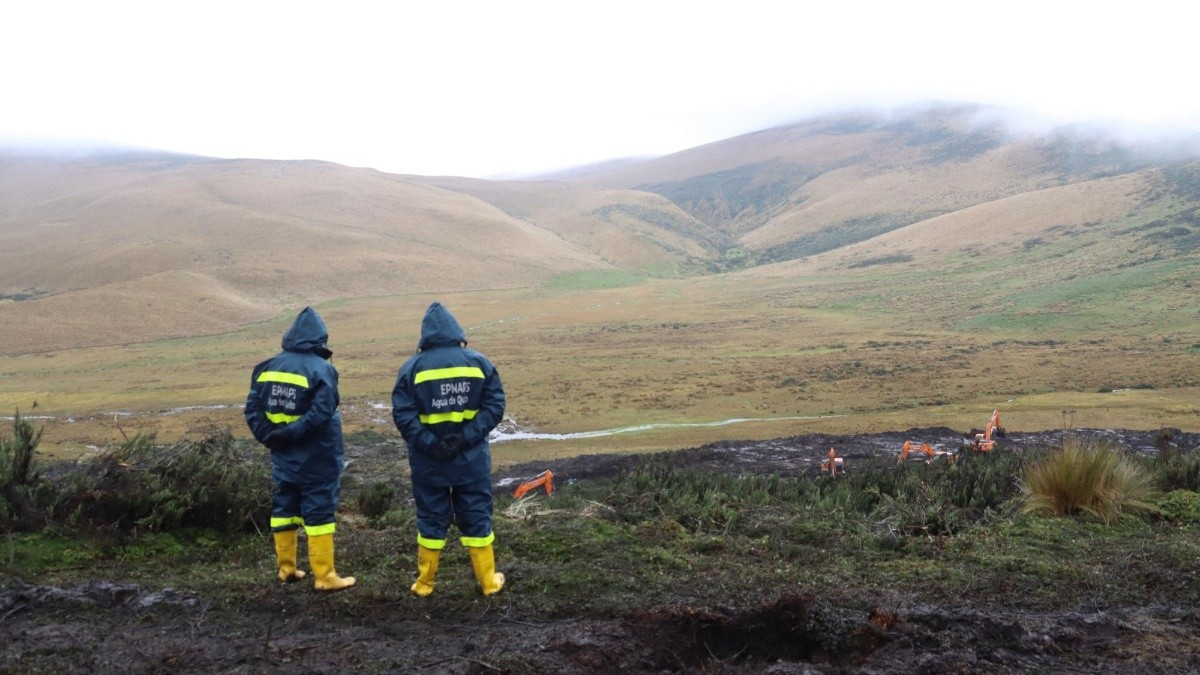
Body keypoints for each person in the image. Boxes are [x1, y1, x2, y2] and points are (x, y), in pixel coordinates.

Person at [392, 301, 506, 596]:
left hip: (429, 464)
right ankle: (488, 583)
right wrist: (465, 438)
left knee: (430, 519)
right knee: (478, 517)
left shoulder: (410, 369)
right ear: (457, 331)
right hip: (471, 462)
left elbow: (403, 416)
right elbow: (494, 407)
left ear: (425, 335)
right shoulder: (480, 363)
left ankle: (424, 584)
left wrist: (431, 444)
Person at [245, 306, 356, 592]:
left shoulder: (267, 367)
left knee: (284, 507)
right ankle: (325, 576)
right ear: (320, 339)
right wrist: (290, 434)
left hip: (282, 457)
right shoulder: (322, 369)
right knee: (319, 512)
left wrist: (270, 436)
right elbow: (321, 413)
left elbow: (253, 408)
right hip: (318, 456)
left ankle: (287, 569)